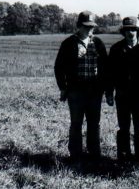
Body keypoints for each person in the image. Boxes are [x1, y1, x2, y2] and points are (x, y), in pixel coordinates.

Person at [54, 10, 108, 165]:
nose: (89, 29)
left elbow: (105, 67)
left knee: (94, 124)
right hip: (76, 91)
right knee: (76, 123)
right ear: (79, 26)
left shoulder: (98, 43)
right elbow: (59, 67)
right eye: (86, 26)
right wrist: (63, 88)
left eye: (92, 26)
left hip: (94, 92)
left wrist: (103, 87)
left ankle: (94, 155)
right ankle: (75, 156)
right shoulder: (69, 43)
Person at [106, 17, 139, 162]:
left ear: (138, 31)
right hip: (122, 95)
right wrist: (109, 93)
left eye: (133, 29)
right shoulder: (116, 49)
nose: (130, 32)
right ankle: (124, 156)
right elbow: (110, 74)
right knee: (123, 127)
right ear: (123, 31)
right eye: (127, 30)